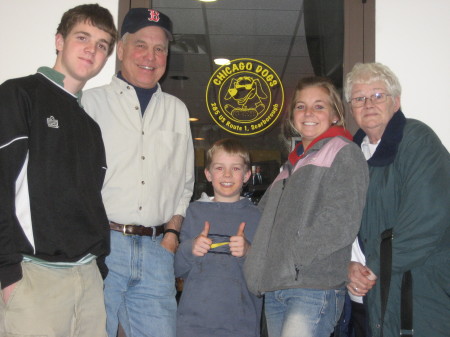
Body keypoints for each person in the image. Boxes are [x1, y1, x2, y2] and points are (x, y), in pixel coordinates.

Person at [0, 4, 117, 336]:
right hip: (34, 279)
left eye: (102, 45)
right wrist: (7, 271)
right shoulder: (18, 94)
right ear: (59, 40)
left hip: (88, 282)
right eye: (83, 37)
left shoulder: (91, 127)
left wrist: (98, 266)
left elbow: (89, 202)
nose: (92, 49)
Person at [82, 8, 195, 337]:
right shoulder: (90, 105)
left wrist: (172, 235)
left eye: (160, 49)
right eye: (141, 45)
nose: (151, 56)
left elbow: (185, 185)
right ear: (121, 48)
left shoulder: (177, 111)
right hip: (102, 248)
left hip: (157, 252)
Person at [244, 76, 369, 337]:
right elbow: (263, 217)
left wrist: (294, 259)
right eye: (301, 106)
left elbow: (341, 222)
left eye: (319, 106)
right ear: (292, 116)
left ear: (335, 114)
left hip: (312, 286)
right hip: (277, 286)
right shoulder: (291, 165)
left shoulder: (343, 151)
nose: (308, 113)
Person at [344, 62, 450, 337]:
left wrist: (371, 270)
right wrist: (344, 265)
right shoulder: (349, 157)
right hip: (362, 302)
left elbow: (426, 221)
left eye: (378, 95)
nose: (368, 103)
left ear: (396, 101)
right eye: (359, 98)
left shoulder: (417, 140)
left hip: (414, 298)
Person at [175, 138, 262, 337]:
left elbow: (263, 278)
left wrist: (248, 251)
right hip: (193, 324)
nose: (227, 175)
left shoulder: (257, 216)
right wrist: (191, 248)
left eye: (236, 169)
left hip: (241, 324)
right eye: (219, 168)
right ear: (208, 174)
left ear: (247, 175)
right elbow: (175, 268)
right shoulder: (193, 212)